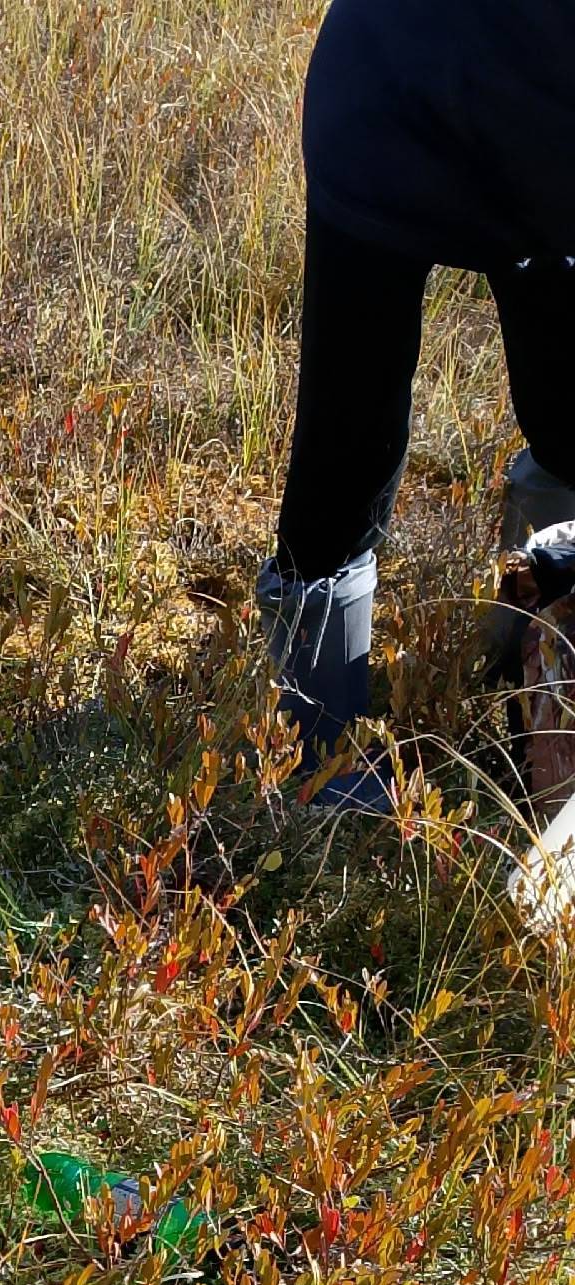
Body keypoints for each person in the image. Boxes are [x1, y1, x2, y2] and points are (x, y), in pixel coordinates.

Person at [259, 0, 575, 809]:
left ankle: (530, 655)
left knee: (570, 420)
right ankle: (313, 760)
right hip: (385, 108)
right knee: (347, 444)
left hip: (521, 125)